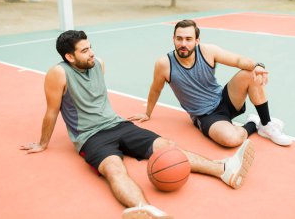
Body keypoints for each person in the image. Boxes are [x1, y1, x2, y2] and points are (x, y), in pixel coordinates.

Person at [20, 30, 255, 219]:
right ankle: (147, 211)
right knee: (114, 168)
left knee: (167, 145)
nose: (91, 53)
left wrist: (144, 113)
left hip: (119, 124)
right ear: (70, 57)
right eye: (84, 50)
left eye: (90, 47)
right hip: (91, 137)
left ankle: (224, 170)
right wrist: (42, 143)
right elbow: (52, 111)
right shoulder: (57, 74)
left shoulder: (98, 64)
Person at [128, 19, 292, 147]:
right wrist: (147, 113)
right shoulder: (164, 64)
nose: (183, 44)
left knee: (251, 73)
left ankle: (266, 124)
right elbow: (155, 89)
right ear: (173, 39)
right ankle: (253, 123)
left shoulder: (208, 51)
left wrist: (257, 65)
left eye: (188, 39)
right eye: (179, 39)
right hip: (206, 115)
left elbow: (238, 60)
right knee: (231, 139)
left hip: (224, 99)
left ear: (197, 40)